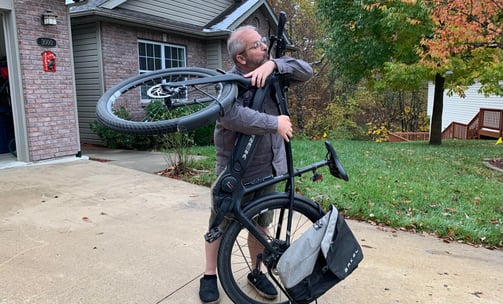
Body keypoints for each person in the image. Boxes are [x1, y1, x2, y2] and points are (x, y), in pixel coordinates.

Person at [199, 25, 313, 304]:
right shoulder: (228, 82)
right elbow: (231, 117)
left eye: (263, 42)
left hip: (270, 167)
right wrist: (274, 123)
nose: (263, 46)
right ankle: (210, 275)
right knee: (219, 223)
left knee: (261, 225)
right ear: (241, 58)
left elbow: (306, 71)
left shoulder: (273, 71)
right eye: (256, 45)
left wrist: (274, 63)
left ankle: (256, 271)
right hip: (237, 169)